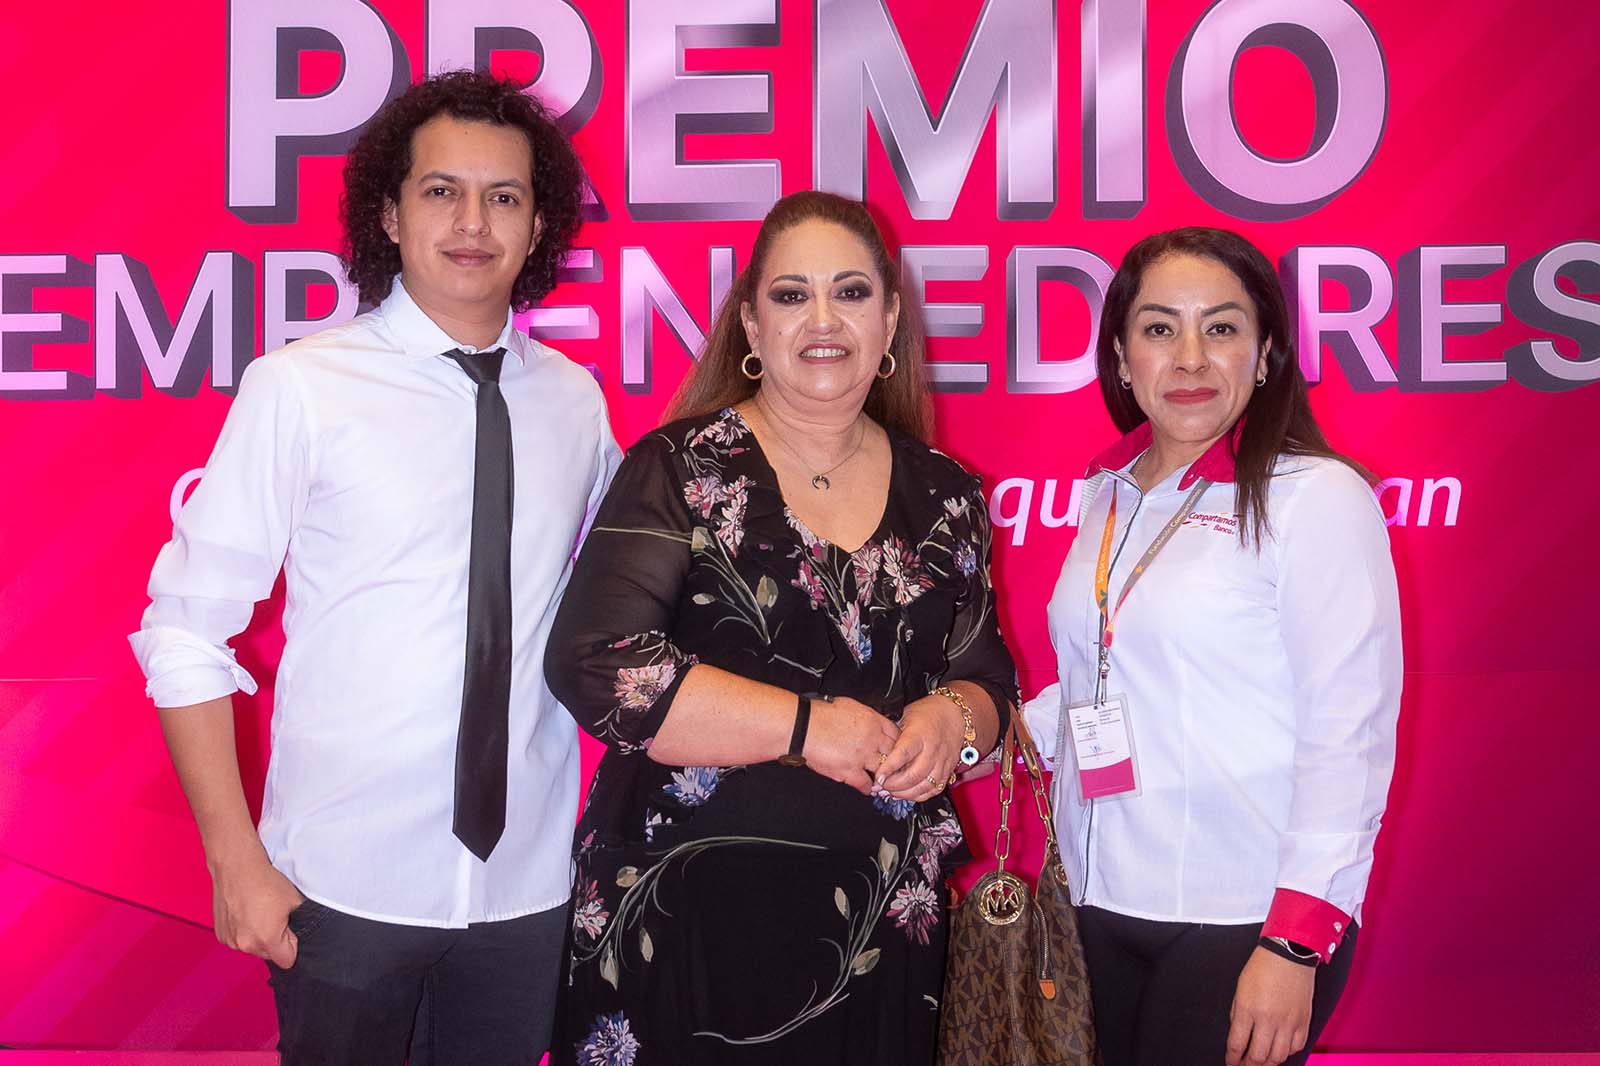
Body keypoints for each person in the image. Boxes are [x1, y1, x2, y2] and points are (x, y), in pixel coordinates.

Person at [129, 71, 619, 1065]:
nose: (472, 221)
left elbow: (613, 611)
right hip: (342, 888)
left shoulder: (576, 403)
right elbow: (183, 631)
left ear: (538, 228)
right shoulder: (303, 388)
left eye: (504, 196)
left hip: (525, 890)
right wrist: (235, 861)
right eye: (441, 191)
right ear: (389, 215)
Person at [543, 190, 1016, 1065]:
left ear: (890, 322)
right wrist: (807, 728)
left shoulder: (946, 492)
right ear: (752, 327)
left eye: (851, 292)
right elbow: (599, 664)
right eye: (792, 295)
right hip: (683, 925)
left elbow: (987, 680)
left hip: (880, 929)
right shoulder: (679, 466)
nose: (823, 319)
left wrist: (952, 718)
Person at [1024, 227, 1401, 1066]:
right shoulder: (1109, 493)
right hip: (1095, 901)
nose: (1190, 358)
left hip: (1243, 916)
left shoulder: (1317, 497)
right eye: (1160, 328)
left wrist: (1296, 942)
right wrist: (980, 733)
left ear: (1265, 354)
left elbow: (1350, 733)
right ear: (1121, 357)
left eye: (1221, 327)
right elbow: (1106, 675)